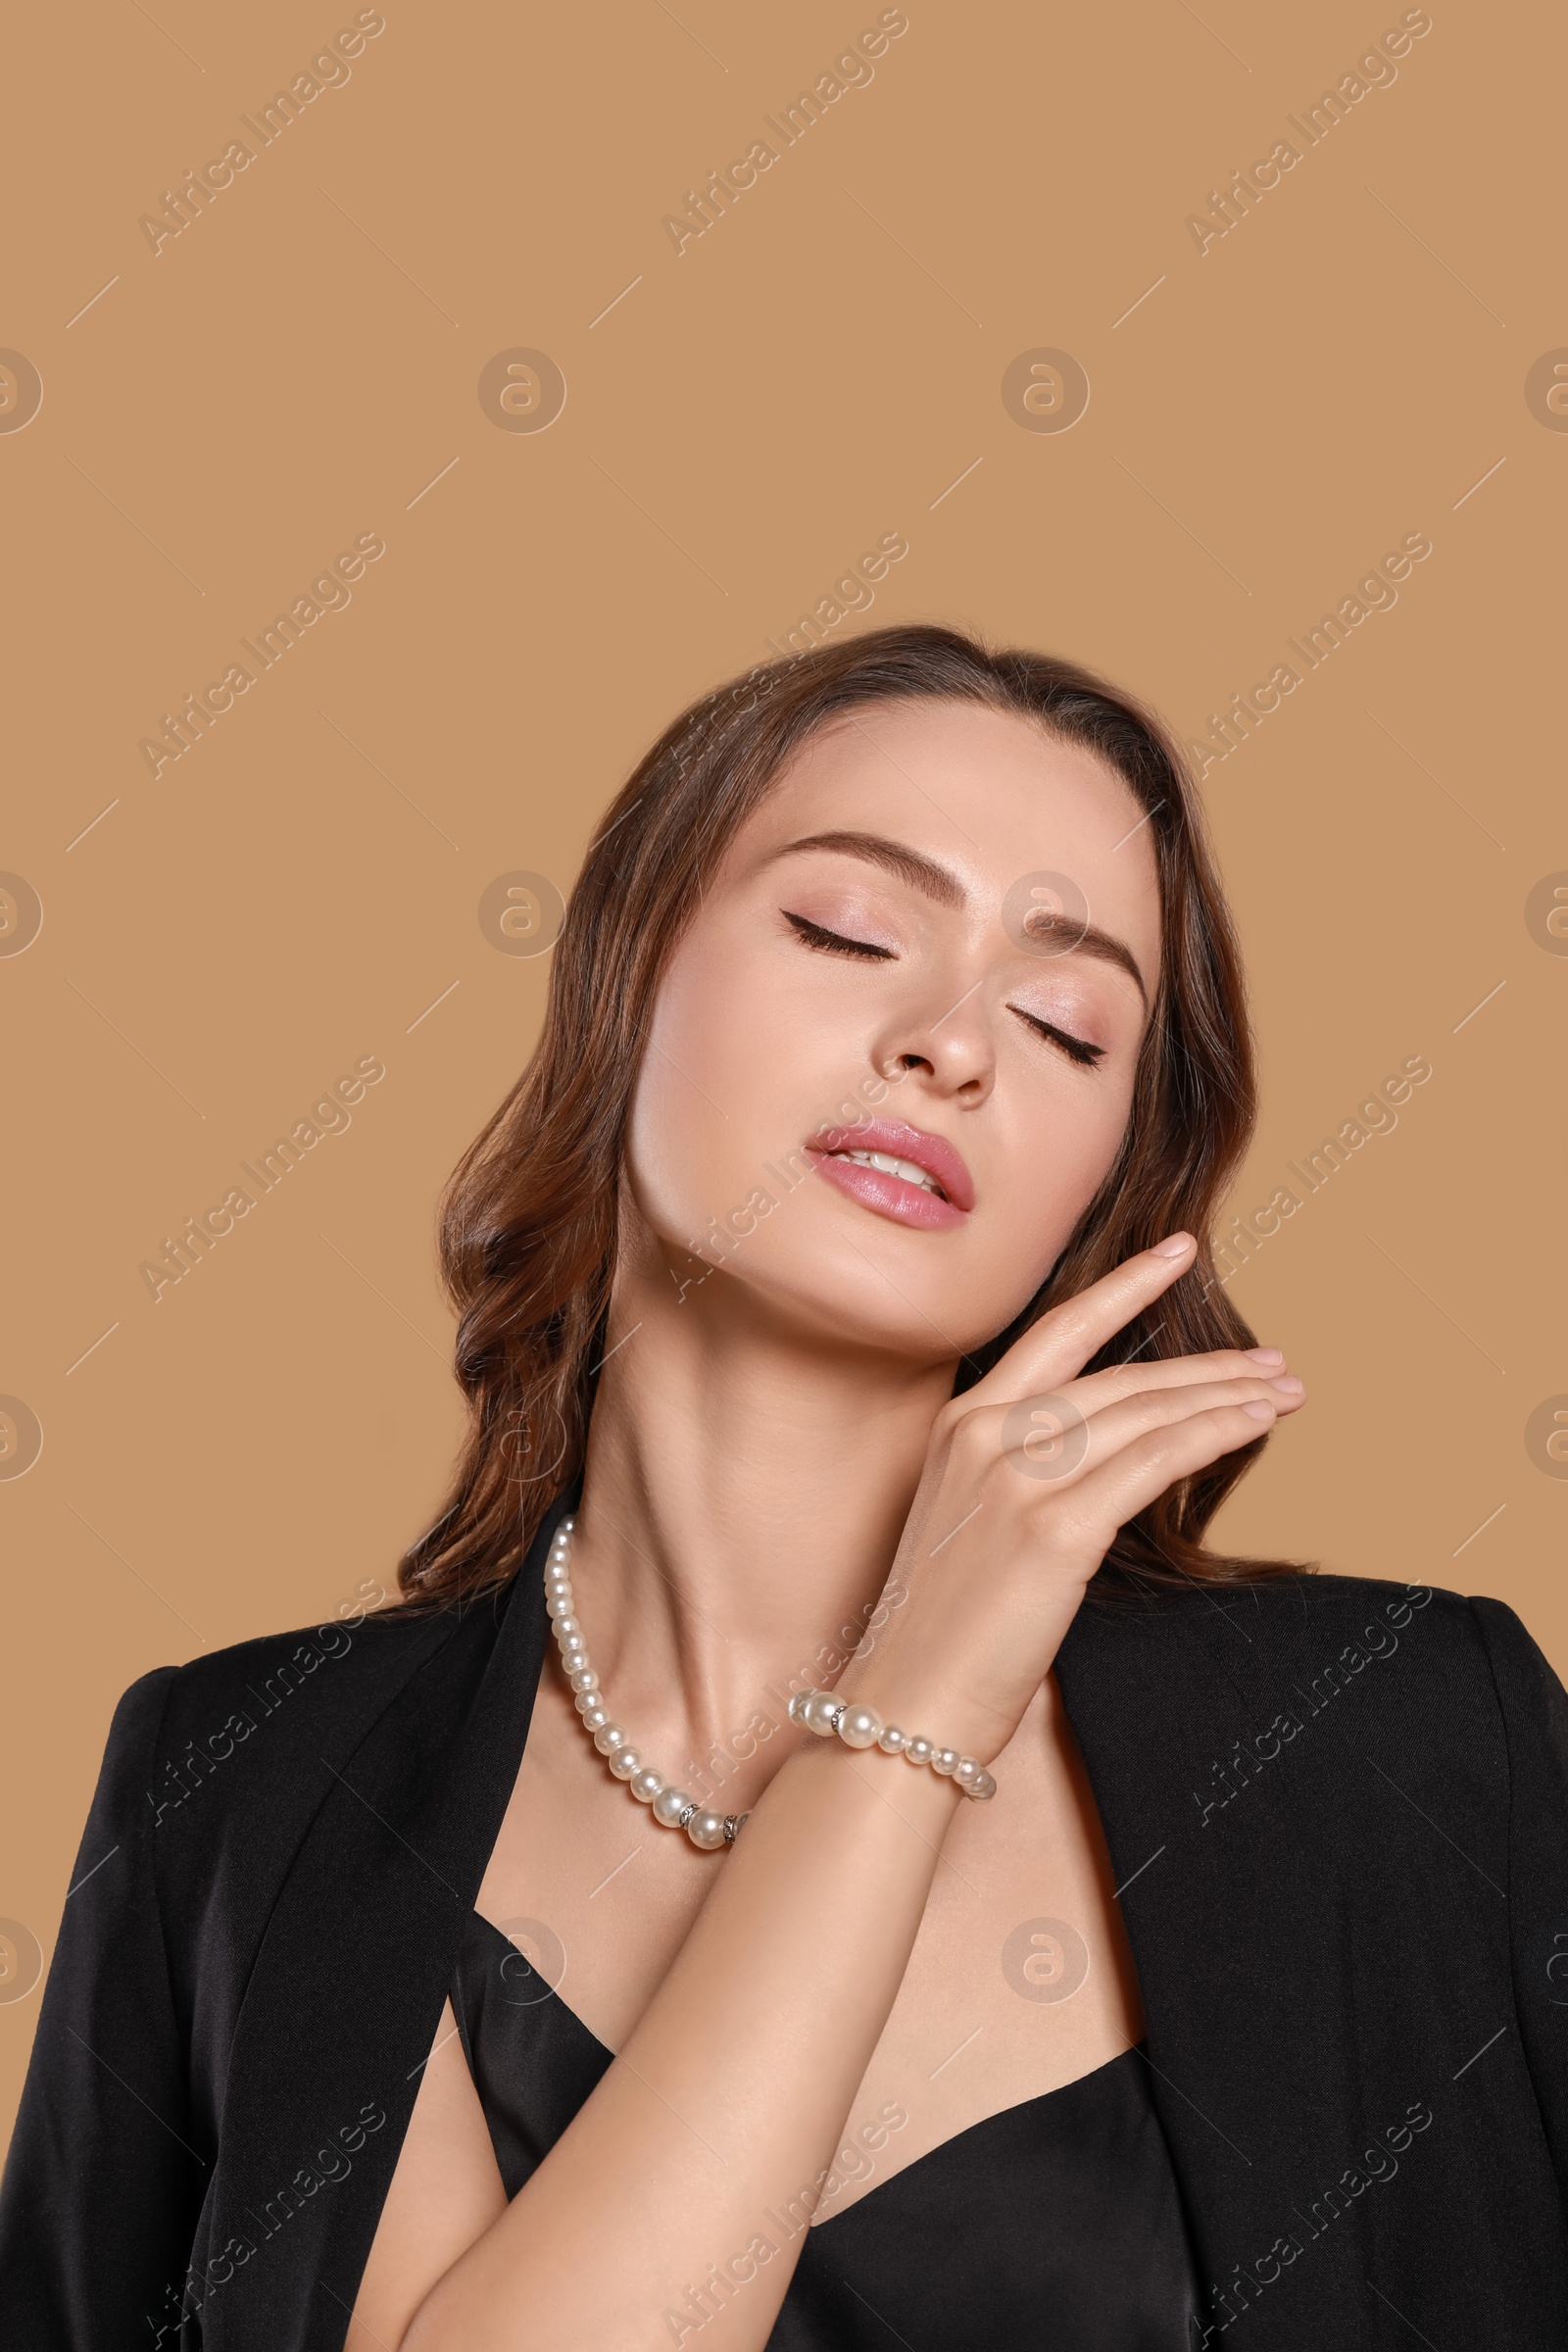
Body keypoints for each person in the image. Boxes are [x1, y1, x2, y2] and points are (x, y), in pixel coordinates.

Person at [2, 625, 1564, 2352]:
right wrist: (902, 1709)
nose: (951, 1046)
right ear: (624, 977)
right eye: (846, 930)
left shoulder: (1408, 1736)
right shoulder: (246, 1791)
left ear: (1108, 1188)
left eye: (1065, 1023)